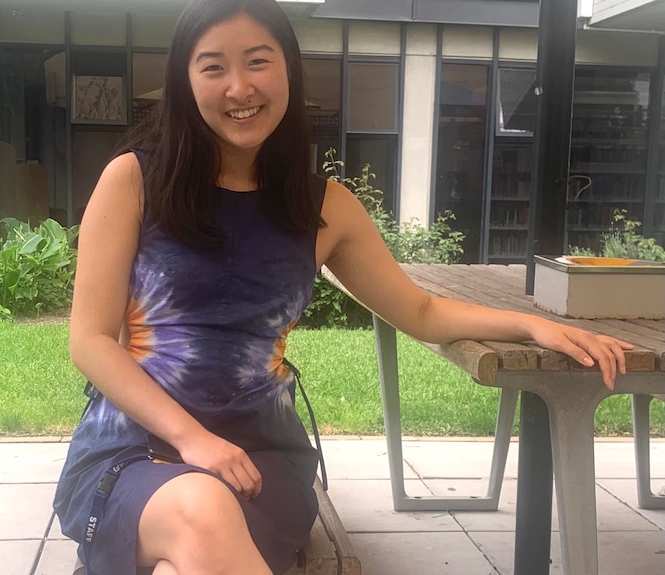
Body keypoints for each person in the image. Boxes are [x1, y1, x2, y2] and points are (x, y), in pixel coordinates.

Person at [54, 0, 633, 573]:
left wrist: (533, 324)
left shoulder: (325, 208)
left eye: (258, 61)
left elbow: (422, 310)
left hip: (261, 457)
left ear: (288, 70)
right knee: (201, 510)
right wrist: (193, 439)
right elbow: (91, 341)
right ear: (185, 80)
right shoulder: (133, 180)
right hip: (134, 446)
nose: (239, 87)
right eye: (213, 67)